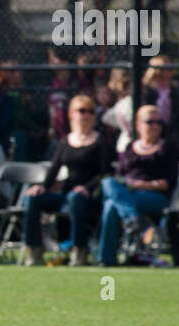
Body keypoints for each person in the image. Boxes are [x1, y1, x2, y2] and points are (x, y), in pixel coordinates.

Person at [20, 95, 113, 267]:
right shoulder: (65, 141)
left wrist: (86, 188)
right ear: (72, 114)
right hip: (67, 193)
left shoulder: (100, 141)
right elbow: (54, 170)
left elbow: (105, 172)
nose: (86, 115)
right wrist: (42, 187)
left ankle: (79, 249)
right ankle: (34, 249)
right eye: (81, 111)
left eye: (90, 112)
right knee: (32, 198)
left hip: (89, 196)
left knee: (75, 198)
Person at [96, 105, 179, 266]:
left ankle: (107, 256)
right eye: (150, 122)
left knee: (112, 204)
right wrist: (127, 186)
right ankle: (132, 220)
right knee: (108, 184)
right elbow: (118, 177)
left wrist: (143, 184)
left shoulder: (168, 148)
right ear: (138, 125)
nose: (155, 126)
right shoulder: (130, 148)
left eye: (158, 122)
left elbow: (168, 183)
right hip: (127, 195)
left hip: (154, 196)